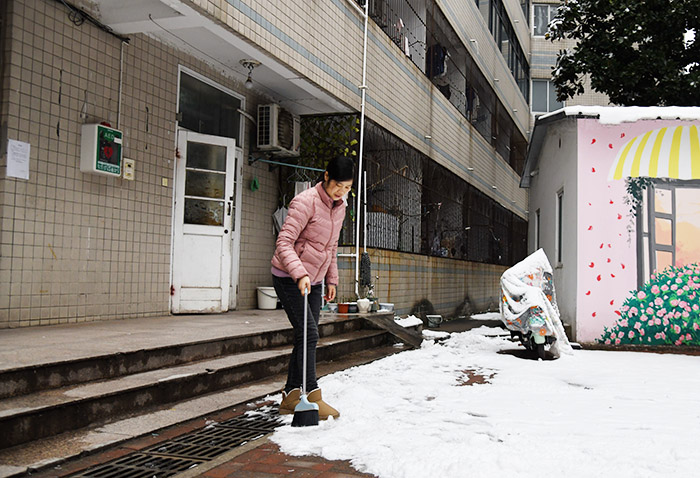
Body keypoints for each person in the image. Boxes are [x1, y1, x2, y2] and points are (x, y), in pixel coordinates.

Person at [271, 155, 354, 419]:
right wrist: (299, 274)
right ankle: (313, 395)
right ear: (326, 176)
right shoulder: (305, 202)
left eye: (347, 187)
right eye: (338, 185)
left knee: (304, 336)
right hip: (288, 277)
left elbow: (331, 246)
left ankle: (290, 397)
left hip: (315, 281)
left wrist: (331, 279)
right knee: (309, 334)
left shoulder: (340, 206)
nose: (341, 192)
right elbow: (284, 242)